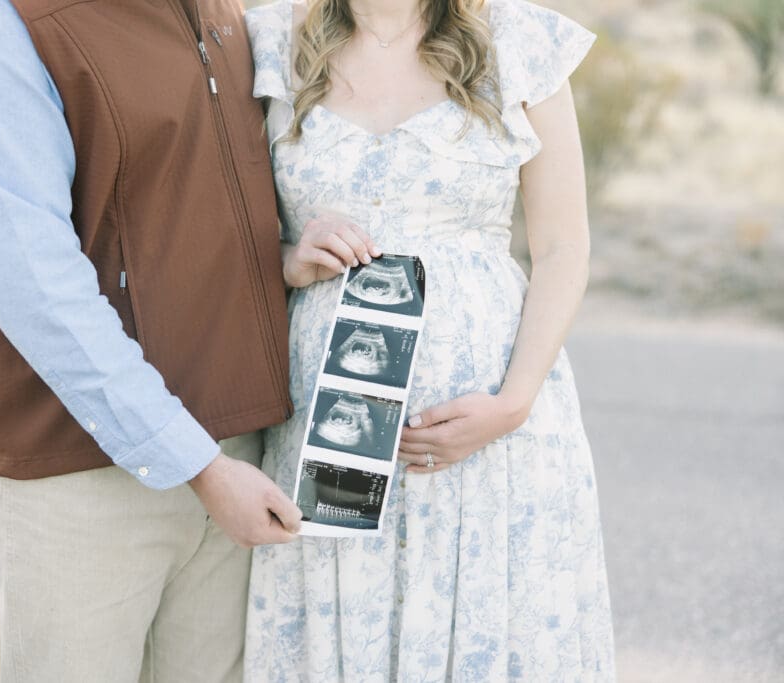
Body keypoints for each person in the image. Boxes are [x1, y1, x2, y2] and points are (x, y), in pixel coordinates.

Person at [0, 0, 303, 680]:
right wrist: (199, 465)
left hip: (239, 446)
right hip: (80, 479)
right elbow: (37, 287)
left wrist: (283, 252)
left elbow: (184, 199)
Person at [243, 0, 616, 679]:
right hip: (330, 434)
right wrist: (289, 258)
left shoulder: (521, 41)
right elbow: (223, 231)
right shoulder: (269, 39)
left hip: (496, 436)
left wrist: (514, 401)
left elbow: (564, 247)